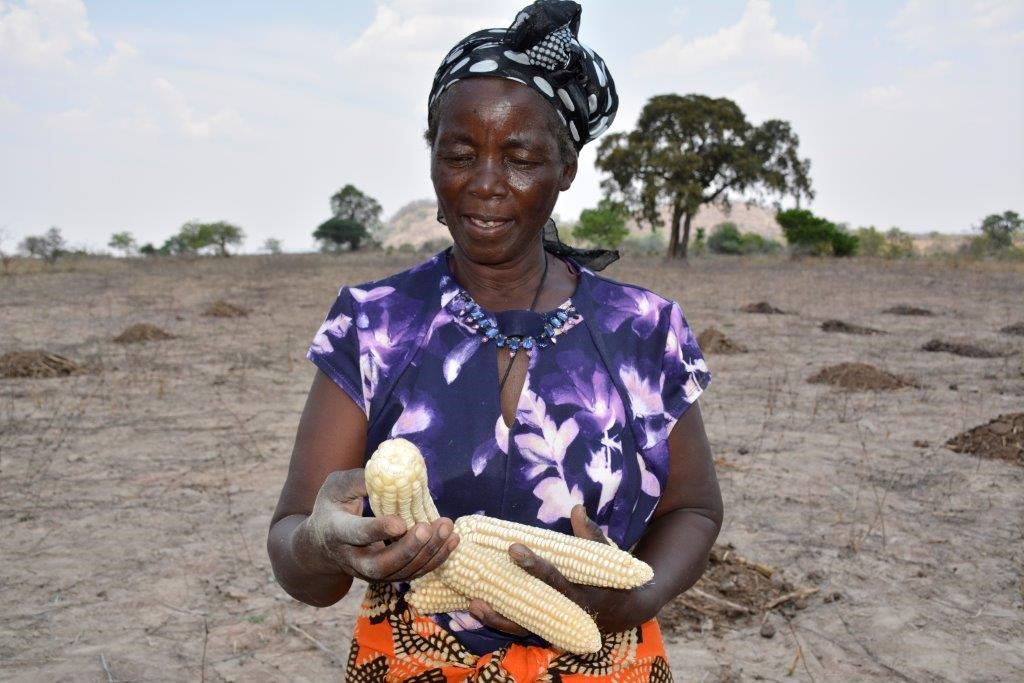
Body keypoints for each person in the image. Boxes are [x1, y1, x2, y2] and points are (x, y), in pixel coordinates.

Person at [267, 2, 722, 680]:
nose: (484, 184)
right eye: (458, 154)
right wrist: (321, 543)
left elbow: (694, 506)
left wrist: (629, 599)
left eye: (520, 157)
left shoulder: (643, 328)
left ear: (565, 168)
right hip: (413, 664)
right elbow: (300, 558)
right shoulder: (373, 322)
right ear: (431, 161)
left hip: (608, 660)